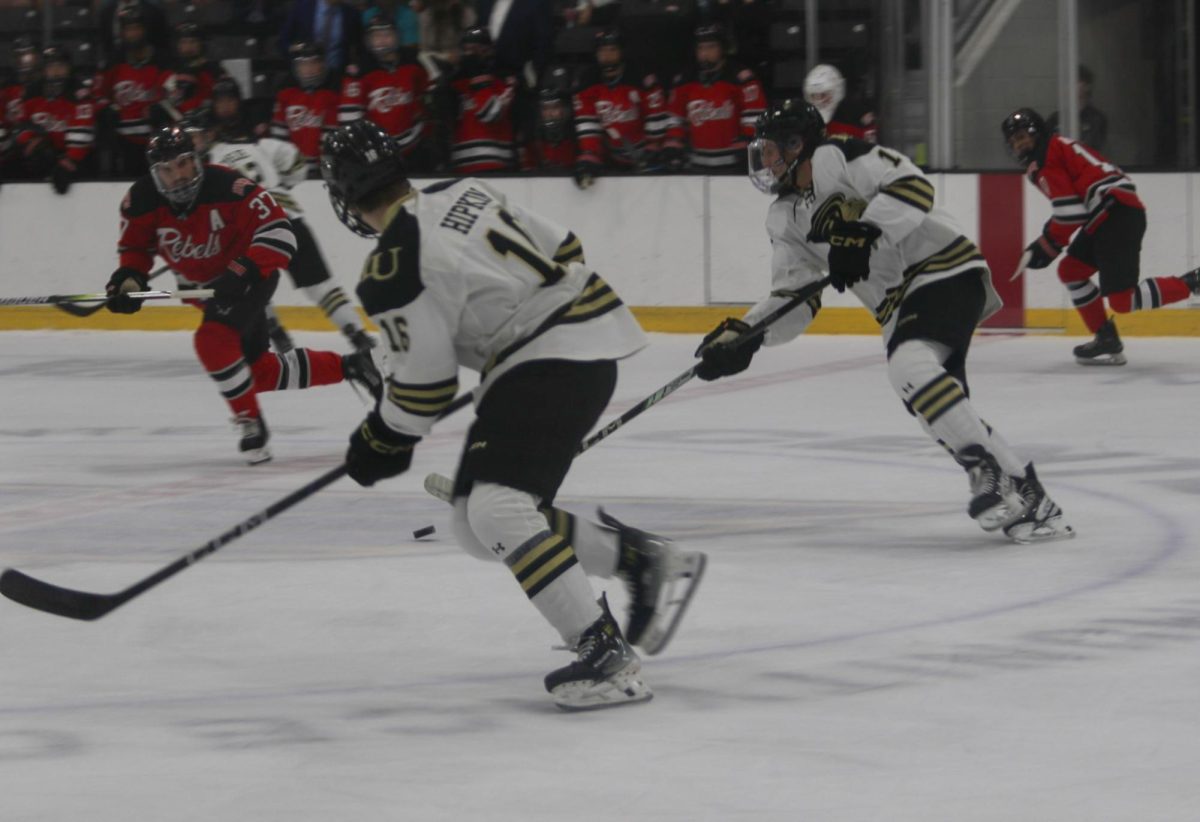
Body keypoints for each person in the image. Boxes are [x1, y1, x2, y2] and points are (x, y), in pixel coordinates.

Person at [319, 119, 706, 709]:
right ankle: (637, 561)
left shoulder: (393, 264)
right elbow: (567, 248)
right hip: (579, 338)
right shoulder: (459, 190)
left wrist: (379, 439)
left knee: (498, 508)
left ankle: (604, 655)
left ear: (342, 197)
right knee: (474, 526)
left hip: (552, 357)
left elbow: (424, 389)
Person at [696, 100, 1074, 544]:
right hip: (900, 305)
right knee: (932, 404)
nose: (763, 161)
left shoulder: (836, 155)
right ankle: (1032, 499)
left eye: (771, 150)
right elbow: (793, 297)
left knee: (909, 368)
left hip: (941, 267)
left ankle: (985, 471)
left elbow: (912, 186)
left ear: (798, 145)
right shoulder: (783, 217)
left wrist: (866, 231)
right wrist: (747, 334)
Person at [105, 126, 382, 464]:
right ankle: (354, 366)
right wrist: (129, 281)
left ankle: (251, 424)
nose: (177, 176)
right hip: (211, 288)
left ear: (196, 160)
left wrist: (241, 271)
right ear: (154, 174)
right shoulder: (140, 201)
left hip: (251, 276)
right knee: (255, 372)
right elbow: (135, 248)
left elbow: (281, 231)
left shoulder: (229, 186)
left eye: (182, 164)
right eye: (166, 169)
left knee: (212, 341)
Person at [1002, 108, 1200, 365]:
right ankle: (1105, 338)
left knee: (1122, 300)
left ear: (1036, 133)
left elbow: (1069, 213)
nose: (1019, 144)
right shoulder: (1056, 146)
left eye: (1022, 136)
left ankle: (1193, 282)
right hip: (1111, 210)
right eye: (1014, 141)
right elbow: (1075, 208)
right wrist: (1048, 244)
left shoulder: (1044, 158)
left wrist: (1045, 246)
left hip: (1113, 212)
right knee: (1071, 270)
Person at [185, 86, 375, 354]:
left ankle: (276, 333)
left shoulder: (203, 172)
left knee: (250, 286)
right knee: (320, 286)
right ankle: (357, 335)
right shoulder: (258, 145)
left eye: (195, 138)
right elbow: (297, 163)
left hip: (250, 231)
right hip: (287, 218)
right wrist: (277, 188)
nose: (192, 145)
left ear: (210, 135)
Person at [572, 28, 670, 186]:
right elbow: (587, 122)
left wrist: (655, 146)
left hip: (646, 156)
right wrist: (590, 153)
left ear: (622, 52)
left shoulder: (640, 76)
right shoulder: (587, 80)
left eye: (612, 50)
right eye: (602, 51)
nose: (607, 56)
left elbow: (656, 114)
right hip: (612, 157)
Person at [662, 24, 765, 172]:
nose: (705, 53)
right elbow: (675, 117)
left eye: (711, 47)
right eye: (701, 48)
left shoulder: (741, 78)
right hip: (696, 163)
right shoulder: (684, 80)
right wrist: (673, 143)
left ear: (722, 48)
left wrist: (747, 141)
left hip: (733, 163)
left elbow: (754, 114)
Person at [338, 18, 430, 167]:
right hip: (377, 153)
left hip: (414, 147)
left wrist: (422, 132)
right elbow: (349, 118)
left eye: (387, 35)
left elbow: (424, 98)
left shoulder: (413, 64)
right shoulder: (359, 72)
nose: (382, 41)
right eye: (376, 36)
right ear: (368, 41)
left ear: (397, 37)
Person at [9, 47, 96, 193]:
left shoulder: (79, 93)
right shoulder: (32, 92)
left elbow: (82, 133)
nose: (56, 72)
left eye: (61, 66)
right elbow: (19, 126)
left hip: (73, 159)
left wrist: (68, 163)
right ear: (44, 70)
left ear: (69, 69)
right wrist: (31, 142)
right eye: (51, 67)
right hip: (42, 156)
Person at [95, 2, 166, 176]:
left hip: (157, 141)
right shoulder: (112, 63)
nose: (133, 34)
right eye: (128, 29)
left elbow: (173, 95)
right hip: (123, 143)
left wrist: (163, 108)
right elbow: (97, 94)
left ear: (145, 30)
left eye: (137, 28)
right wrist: (106, 108)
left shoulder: (161, 61)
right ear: (122, 32)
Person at [436, 27, 517, 173]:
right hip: (461, 168)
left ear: (489, 51)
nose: (471, 55)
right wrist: (444, 85)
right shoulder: (457, 83)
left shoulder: (504, 81)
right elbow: (443, 122)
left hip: (498, 168)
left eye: (477, 49)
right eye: (467, 50)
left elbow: (490, 113)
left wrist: (479, 78)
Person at [271, 42, 342, 174]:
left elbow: (330, 136)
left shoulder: (331, 96)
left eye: (313, 63)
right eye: (303, 64)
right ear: (296, 67)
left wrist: (326, 168)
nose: (309, 69)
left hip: (321, 172)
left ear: (322, 65)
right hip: (292, 170)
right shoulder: (286, 95)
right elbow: (279, 135)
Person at [803, 63, 877, 143]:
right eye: (814, 96)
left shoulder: (857, 114)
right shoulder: (807, 121)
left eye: (824, 95)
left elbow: (870, 147)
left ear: (836, 92)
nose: (819, 100)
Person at [1047, 65, 1107, 153]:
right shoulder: (1055, 119)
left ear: (1087, 86)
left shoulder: (1097, 119)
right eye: (1068, 82)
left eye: (1076, 81)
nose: (1070, 86)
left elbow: (1093, 149)